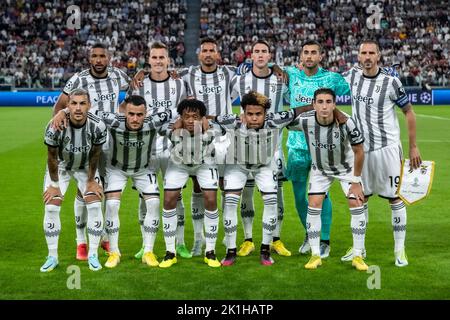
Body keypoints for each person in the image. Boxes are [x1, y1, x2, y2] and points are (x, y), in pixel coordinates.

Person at [340, 40, 422, 267]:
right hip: (361, 151)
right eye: (363, 53)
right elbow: (328, 82)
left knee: (396, 198)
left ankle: (400, 250)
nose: (367, 57)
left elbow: (409, 113)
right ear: (358, 56)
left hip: (387, 149)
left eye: (371, 53)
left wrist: (413, 146)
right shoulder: (351, 76)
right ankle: (359, 249)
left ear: (378, 56)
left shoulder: (391, 81)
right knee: (359, 198)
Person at [52, 43, 131, 260]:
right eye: (94, 56)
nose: (98, 60)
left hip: (111, 142)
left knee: (104, 190)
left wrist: (122, 110)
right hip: (86, 142)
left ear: (109, 58)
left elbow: (135, 91)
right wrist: (59, 118)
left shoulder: (118, 75)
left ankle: (104, 237)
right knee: (85, 190)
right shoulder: (79, 78)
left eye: (102, 56)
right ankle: (81, 242)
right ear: (89, 59)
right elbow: (59, 107)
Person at [215, 91, 313, 266]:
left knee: (271, 203)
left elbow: (296, 111)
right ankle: (230, 252)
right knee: (229, 202)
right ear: (242, 113)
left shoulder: (275, 120)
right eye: (249, 114)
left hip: (265, 166)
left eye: (258, 114)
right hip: (238, 165)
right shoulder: (232, 121)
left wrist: (315, 105)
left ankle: (265, 250)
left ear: (265, 114)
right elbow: (211, 118)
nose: (253, 118)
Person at [284, 40, 351, 259]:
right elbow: (264, 69)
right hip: (296, 145)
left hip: (322, 145)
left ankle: (324, 240)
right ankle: (309, 233)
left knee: (322, 194)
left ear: (320, 56)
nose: (310, 56)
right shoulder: (290, 75)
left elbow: (356, 85)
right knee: (299, 196)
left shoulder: (332, 79)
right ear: (300, 56)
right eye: (306, 53)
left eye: (314, 53)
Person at [126, 42, 190, 260]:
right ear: (149, 60)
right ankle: (146, 245)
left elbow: (187, 113)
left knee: (177, 196)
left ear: (168, 60)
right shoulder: (139, 85)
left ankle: (179, 243)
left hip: (173, 148)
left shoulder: (179, 84)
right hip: (147, 149)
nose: (159, 61)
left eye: (162, 57)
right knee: (145, 198)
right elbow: (128, 112)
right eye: (154, 58)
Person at [95, 95, 173, 268]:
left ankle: (148, 251)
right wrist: (62, 113)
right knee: (112, 205)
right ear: (125, 112)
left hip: (143, 169)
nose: (135, 119)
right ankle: (114, 252)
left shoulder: (154, 121)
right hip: (116, 169)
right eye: (131, 114)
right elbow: (88, 111)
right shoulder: (114, 121)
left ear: (146, 114)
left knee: (153, 203)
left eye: (139, 114)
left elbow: (178, 111)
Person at [229, 40, 291, 257]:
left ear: (269, 55)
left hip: (274, 147)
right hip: (245, 146)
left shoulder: (280, 79)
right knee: (246, 191)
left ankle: (276, 238)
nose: (261, 55)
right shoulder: (240, 80)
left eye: (264, 51)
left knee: (277, 193)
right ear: (251, 56)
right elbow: (225, 102)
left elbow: (290, 104)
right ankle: (248, 240)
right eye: (257, 51)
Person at [295, 88, 368, 271]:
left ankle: (358, 255)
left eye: (328, 102)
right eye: (320, 102)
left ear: (334, 104)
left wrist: (356, 181)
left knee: (356, 202)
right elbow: (282, 121)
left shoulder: (347, 122)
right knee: (314, 203)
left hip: (346, 169)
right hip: (320, 169)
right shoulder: (305, 120)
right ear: (313, 104)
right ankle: (315, 255)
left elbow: (359, 152)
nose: (324, 106)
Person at [40, 89, 106, 272]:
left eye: (82, 103)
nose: (78, 108)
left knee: (94, 205)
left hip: (85, 166)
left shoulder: (98, 126)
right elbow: (52, 157)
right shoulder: (55, 125)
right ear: (68, 106)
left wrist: (92, 180)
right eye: (74, 103)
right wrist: (54, 186)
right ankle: (52, 256)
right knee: (51, 206)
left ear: (89, 105)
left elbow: (95, 154)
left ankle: (93, 254)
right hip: (61, 166)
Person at [159, 99, 221, 268]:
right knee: (169, 199)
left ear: (202, 118)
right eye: (187, 116)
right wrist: (176, 124)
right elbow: (160, 129)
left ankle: (210, 251)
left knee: (210, 199)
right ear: (181, 117)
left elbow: (219, 130)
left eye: (196, 116)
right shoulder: (173, 131)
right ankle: (170, 252)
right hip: (179, 164)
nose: (191, 120)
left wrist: (206, 124)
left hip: (204, 163)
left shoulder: (211, 131)